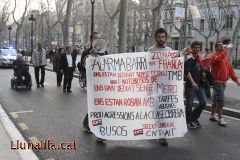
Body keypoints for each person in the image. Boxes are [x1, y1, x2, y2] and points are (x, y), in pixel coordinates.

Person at [147, 28, 172, 146]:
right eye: (159, 37)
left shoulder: (170, 51)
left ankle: (163, 135)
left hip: (166, 86)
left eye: (163, 37)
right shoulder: (150, 51)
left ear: (165, 37)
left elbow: (174, 67)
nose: (161, 39)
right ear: (155, 38)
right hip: (154, 86)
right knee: (156, 110)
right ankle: (156, 129)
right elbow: (146, 69)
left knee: (163, 110)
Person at [82, 32, 108, 133]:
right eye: (95, 38)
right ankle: (90, 124)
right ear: (91, 40)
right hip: (92, 84)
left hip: (102, 83)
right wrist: (90, 58)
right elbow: (82, 68)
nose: (98, 40)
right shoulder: (86, 52)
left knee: (99, 105)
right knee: (95, 104)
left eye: (99, 38)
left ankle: (90, 124)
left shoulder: (104, 52)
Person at [184, 41, 214, 129]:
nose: (197, 49)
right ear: (191, 48)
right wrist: (193, 83)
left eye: (198, 47)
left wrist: (203, 72)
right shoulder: (189, 58)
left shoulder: (198, 58)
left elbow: (200, 68)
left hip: (200, 84)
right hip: (191, 85)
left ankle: (193, 117)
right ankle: (188, 121)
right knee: (189, 104)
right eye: (195, 47)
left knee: (203, 102)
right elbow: (187, 71)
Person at [209, 42, 240, 126]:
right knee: (221, 100)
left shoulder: (225, 58)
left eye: (222, 45)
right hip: (217, 82)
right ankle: (220, 118)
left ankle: (212, 115)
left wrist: (236, 79)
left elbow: (230, 70)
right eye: (219, 45)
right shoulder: (214, 56)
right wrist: (226, 49)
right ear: (216, 48)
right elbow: (218, 59)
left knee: (216, 99)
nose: (222, 46)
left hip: (223, 83)